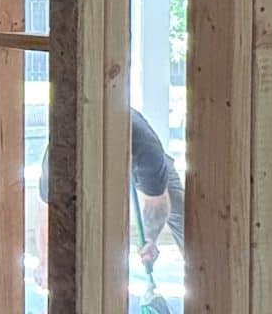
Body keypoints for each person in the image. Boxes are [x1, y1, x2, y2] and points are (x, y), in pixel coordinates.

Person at [36, 109, 184, 273]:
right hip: (84, 163)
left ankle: (202, 277)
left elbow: (157, 202)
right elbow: (47, 210)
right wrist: (45, 261)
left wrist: (150, 239)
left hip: (140, 159)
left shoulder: (146, 152)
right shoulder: (60, 156)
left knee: (181, 213)